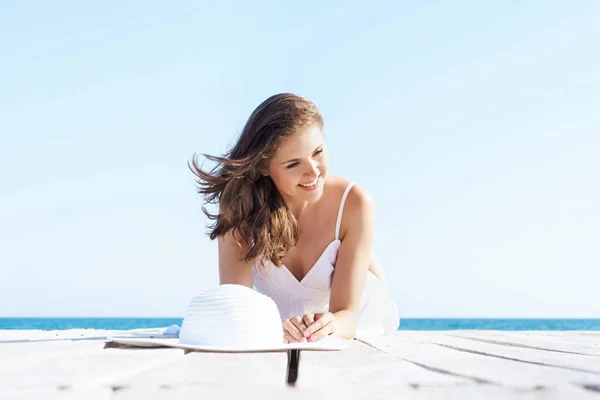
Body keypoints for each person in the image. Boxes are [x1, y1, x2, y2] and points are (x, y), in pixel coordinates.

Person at [189, 93, 399, 344]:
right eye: (293, 164)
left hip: (355, 319)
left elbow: (348, 316)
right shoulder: (239, 208)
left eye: (318, 152)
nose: (313, 171)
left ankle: (361, 257)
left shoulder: (355, 203)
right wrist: (273, 328)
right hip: (284, 331)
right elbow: (237, 308)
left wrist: (330, 325)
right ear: (264, 168)